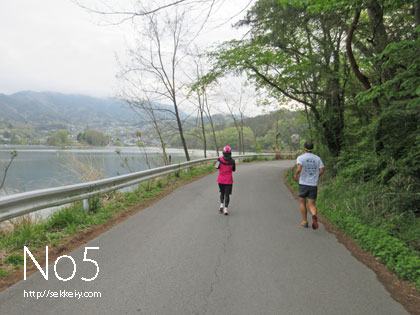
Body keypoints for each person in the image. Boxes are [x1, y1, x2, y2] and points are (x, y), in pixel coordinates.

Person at [293, 141, 325, 229]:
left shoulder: (301, 158)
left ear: (304, 148)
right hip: (313, 184)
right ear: (312, 148)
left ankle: (305, 221)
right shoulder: (317, 158)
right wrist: (315, 176)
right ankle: (314, 215)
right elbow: (322, 171)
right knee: (312, 204)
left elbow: (299, 169)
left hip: (303, 183)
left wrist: (296, 175)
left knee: (302, 202)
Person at [215, 146, 236, 215]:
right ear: (230, 153)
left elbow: (216, 167)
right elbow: (234, 170)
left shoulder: (219, 159)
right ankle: (226, 208)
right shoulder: (233, 161)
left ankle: (221, 204)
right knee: (227, 194)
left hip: (221, 180)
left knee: (222, 192)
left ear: (223, 152)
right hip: (228, 180)